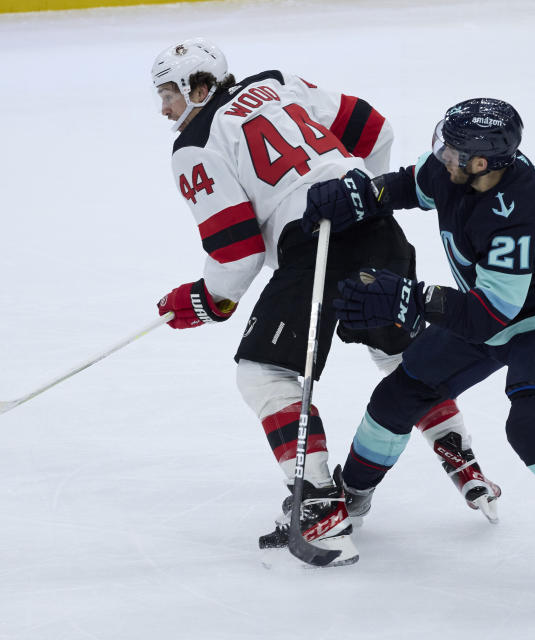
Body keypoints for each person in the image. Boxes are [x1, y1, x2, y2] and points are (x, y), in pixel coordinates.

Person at [150, 39, 501, 566]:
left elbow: (236, 246)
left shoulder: (195, 144)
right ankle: (463, 461)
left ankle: (319, 509)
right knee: (402, 355)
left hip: (314, 247)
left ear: (197, 87)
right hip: (379, 230)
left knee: (264, 373)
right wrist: (366, 198)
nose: (164, 111)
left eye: (169, 95)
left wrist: (209, 300)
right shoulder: (276, 83)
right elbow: (374, 127)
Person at [301, 97, 535, 610]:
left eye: (453, 152)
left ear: (483, 163)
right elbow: (405, 186)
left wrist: (411, 300)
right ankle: (351, 498)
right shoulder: (454, 170)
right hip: (489, 305)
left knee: (531, 424)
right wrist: (360, 195)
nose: (441, 156)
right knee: (397, 397)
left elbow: (491, 318)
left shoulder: (516, 210)